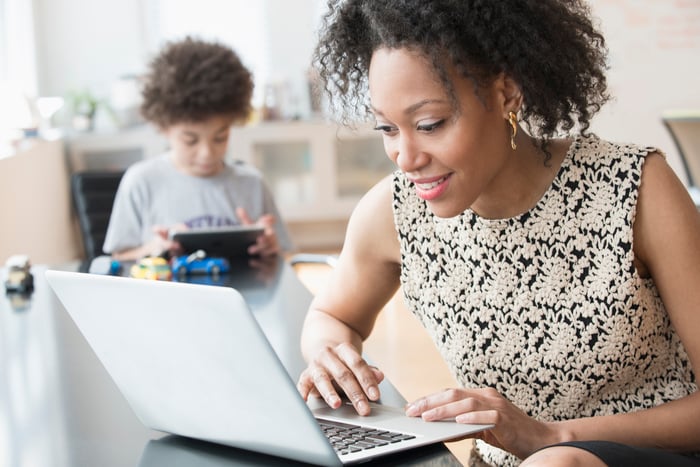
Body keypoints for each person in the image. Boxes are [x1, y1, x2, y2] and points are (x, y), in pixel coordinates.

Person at [296, 1, 700, 466]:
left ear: (507, 93)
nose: (404, 157)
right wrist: (329, 352)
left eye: (430, 125)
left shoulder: (635, 190)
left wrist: (553, 436)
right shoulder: (393, 210)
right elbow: (332, 314)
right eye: (388, 128)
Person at [103, 37, 293, 261]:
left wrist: (270, 248)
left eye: (220, 137)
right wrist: (154, 249)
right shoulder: (141, 181)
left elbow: (284, 255)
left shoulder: (251, 183)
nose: (207, 153)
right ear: (164, 127)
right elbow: (119, 258)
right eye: (190, 140)